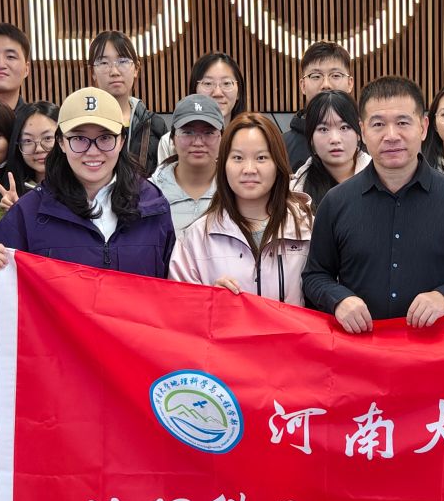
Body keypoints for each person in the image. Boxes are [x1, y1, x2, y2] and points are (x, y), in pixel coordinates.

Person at [303, 77, 444, 331]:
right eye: (378, 124)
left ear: (423, 127)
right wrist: (338, 300)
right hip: (359, 346)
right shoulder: (336, 202)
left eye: (403, 122)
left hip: (433, 345)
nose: (391, 136)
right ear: (363, 131)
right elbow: (315, 276)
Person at [0, 86, 175, 317]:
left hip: (134, 339)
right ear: (61, 143)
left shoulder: (153, 206)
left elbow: (174, 295)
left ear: (122, 141)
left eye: (105, 138)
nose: (92, 151)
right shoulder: (29, 212)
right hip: (60, 342)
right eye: (79, 139)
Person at [169, 112, 314, 305]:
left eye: (261, 158)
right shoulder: (196, 239)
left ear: (278, 163)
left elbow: (326, 295)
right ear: (223, 165)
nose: (249, 169)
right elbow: (179, 309)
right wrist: (210, 302)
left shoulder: (308, 228)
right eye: (238, 158)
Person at [87, 30, 168, 171]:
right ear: (93, 72)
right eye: (104, 62)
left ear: (136, 69)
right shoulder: (83, 123)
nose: (114, 72)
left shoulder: (154, 125)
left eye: (123, 61)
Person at [154, 94, 223, 233]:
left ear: (222, 138)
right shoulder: (151, 194)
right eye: (188, 132)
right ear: (172, 139)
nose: (198, 142)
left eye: (208, 132)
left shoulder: (235, 190)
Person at [291, 89, 369, 207]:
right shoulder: (296, 192)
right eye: (323, 129)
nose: (335, 139)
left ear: (359, 133)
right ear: (311, 138)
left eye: (344, 127)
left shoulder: (382, 179)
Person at [286, 41, 355, 167]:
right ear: (303, 85)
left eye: (335, 75)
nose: (326, 85)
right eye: (316, 76)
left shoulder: (368, 139)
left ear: (350, 83)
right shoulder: (282, 146)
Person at [7, 102, 59, 192]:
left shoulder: (83, 190)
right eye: (28, 141)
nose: (39, 149)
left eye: (47, 138)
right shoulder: (9, 195)